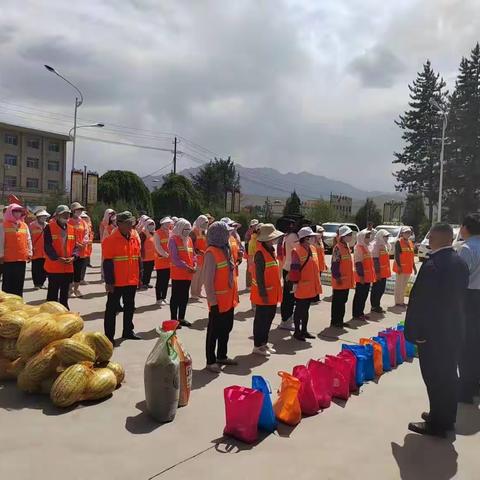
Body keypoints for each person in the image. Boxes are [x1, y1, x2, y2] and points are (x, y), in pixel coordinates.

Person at [405, 223, 469, 437]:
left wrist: (416, 332)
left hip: (433, 334)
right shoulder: (459, 262)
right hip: (453, 330)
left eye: (430, 237)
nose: (428, 241)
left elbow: (421, 302)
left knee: (435, 378)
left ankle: (438, 424)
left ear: (438, 238)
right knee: (449, 376)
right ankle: (444, 417)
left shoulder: (433, 265)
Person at [102, 211, 142, 343]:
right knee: (111, 310)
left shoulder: (134, 238)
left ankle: (128, 331)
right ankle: (109, 337)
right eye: (128, 222)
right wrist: (109, 282)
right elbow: (107, 263)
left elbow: (137, 259)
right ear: (119, 224)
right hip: (117, 282)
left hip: (131, 280)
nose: (131, 225)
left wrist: (139, 277)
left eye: (132, 222)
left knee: (130, 306)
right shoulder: (110, 240)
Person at [204, 221, 238, 372]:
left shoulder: (225, 249)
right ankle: (211, 361)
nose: (229, 235)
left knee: (226, 329)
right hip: (218, 301)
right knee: (214, 332)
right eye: (227, 233)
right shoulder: (211, 253)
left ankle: (222, 356)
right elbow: (208, 281)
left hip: (229, 299)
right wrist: (213, 302)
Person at [251, 223, 283, 355]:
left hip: (272, 292)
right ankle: (258, 345)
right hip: (264, 294)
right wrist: (263, 293)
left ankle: (264, 343)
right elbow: (259, 275)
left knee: (268, 319)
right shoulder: (260, 253)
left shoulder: (270, 250)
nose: (274, 240)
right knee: (261, 320)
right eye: (272, 238)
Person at [458, 213, 480, 403]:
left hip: (469, 297)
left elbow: (459, 279)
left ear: (466, 227)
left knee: (465, 346)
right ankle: (475, 385)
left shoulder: (466, 249)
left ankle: (465, 390)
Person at [288, 227, 322, 341]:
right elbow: (294, 270)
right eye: (311, 237)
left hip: (310, 286)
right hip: (301, 286)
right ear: (305, 238)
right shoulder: (297, 251)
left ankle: (304, 330)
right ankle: (297, 332)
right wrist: (295, 284)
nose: (313, 238)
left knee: (306, 310)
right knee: (299, 310)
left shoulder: (312, 248)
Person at [44, 205, 78, 309]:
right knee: (52, 294)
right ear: (58, 215)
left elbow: (75, 246)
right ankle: (49, 312)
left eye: (68, 213)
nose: (67, 215)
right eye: (64, 213)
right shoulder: (49, 227)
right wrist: (58, 258)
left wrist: (74, 257)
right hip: (55, 267)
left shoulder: (72, 228)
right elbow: (47, 246)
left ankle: (64, 310)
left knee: (64, 293)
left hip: (68, 267)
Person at [169, 218, 196, 327]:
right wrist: (187, 267)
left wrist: (194, 264)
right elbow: (175, 258)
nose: (187, 231)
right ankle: (173, 319)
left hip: (188, 274)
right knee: (176, 297)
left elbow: (193, 254)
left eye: (189, 229)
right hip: (178, 273)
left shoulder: (189, 239)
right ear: (180, 228)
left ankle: (181, 318)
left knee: (184, 297)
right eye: (185, 229)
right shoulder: (173, 240)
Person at [0, 203, 32, 296]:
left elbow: (28, 240)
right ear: (10, 212)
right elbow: (1, 241)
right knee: (8, 284)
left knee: (19, 282)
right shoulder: (3, 225)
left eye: (19, 211)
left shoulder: (24, 225)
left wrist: (29, 253)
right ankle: (6, 304)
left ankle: (18, 302)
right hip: (8, 259)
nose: (18, 213)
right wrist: (1, 256)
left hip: (21, 258)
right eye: (15, 211)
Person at [331, 225, 354, 328]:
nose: (351, 237)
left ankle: (340, 320)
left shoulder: (346, 247)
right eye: (349, 235)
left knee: (343, 301)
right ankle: (335, 321)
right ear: (343, 236)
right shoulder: (337, 248)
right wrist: (337, 277)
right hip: (340, 280)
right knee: (338, 302)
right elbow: (335, 264)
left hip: (346, 281)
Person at [279, 219, 299, 331]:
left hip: (290, 267)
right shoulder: (292, 237)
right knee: (288, 297)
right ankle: (285, 320)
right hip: (290, 268)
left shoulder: (290, 236)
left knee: (291, 296)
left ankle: (288, 319)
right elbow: (298, 249)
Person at [68, 202, 91, 298]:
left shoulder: (83, 222)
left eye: (80, 210)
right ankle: (70, 290)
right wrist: (75, 243)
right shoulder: (68, 221)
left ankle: (76, 289)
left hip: (81, 250)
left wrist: (84, 243)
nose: (79, 212)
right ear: (73, 211)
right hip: (71, 250)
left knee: (78, 271)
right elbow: (67, 234)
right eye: (77, 210)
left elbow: (86, 233)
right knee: (71, 271)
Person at [352, 229, 375, 320]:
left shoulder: (368, 247)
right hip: (361, 276)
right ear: (361, 237)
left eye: (369, 237)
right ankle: (356, 314)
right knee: (359, 296)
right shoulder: (358, 247)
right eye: (366, 237)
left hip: (367, 277)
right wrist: (361, 276)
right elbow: (358, 263)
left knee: (364, 295)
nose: (368, 239)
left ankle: (361, 312)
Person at [393, 226, 417, 307]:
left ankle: (401, 301)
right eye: (406, 232)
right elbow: (396, 256)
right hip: (401, 268)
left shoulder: (410, 242)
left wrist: (414, 267)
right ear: (402, 233)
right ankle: (398, 302)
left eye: (409, 233)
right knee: (399, 285)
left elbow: (411, 256)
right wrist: (399, 266)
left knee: (403, 286)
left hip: (408, 268)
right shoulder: (398, 242)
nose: (408, 234)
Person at [370, 229, 391, 313]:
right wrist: (378, 272)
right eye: (385, 236)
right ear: (380, 236)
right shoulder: (375, 246)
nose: (387, 238)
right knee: (376, 289)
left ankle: (377, 304)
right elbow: (375, 260)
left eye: (387, 236)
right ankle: (374, 306)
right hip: (378, 272)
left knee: (381, 289)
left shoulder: (385, 245)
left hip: (384, 272)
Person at [29, 209, 50, 290]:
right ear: (38, 217)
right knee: (36, 268)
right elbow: (29, 238)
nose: (43, 218)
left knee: (45, 268)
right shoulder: (32, 225)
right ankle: (36, 284)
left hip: (45, 251)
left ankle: (42, 283)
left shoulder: (48, 225)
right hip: (35, 250)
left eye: (45, 216)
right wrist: (30, 248)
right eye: (42, 216)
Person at [154, 216, 173, 306]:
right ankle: (158, 298)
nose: (169, 225)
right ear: (163, 224)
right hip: (161, 261)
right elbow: (158, 246)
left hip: (169, 261)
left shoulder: (170, 232)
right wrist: (166, 255)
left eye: (169, 223)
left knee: (166, 280)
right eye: (167, 223)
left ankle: (164, 297)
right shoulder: (157, 233)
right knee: (160, 280)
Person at [190, 215, 209, 297]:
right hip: (196, 257)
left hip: (205, 257)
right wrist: (198, 251)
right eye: (204, 224)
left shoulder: (205, 232)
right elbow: (191, 245)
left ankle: (199, 292)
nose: (205, 226)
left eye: (206, 224)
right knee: (195, 277)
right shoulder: (193, 232)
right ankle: (194, 293)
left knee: (202, 277)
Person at [139, 218, 156, 290]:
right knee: (144, 271)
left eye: (152, 225)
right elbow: (140, 244)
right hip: (145, 256)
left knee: (149, 270)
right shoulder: (143, 233)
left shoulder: (154, 233)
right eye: (150, 225)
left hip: (152, 256)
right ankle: (142, 283)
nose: (151, 226)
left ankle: (147, 282)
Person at [244, 219, 259, 288]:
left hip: (254, 251)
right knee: (249, 268)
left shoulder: (257, 232)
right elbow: (246, 243)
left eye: (256, 224)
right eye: (254, 225)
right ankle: (248, 285)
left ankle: (253, 284)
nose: (255, 226)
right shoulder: (248, 232)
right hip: (249, 251)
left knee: (254, 268)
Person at [80, 211, 94, 282]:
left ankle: (82, 279)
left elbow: (90, 234)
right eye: (83, 217)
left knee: (84, 265)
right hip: (80, 249)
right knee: (79, 266)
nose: (84, 218)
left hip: (87, 248)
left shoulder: (88, 225)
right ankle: (78, 279)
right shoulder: (79, 226)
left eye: (85, 217)